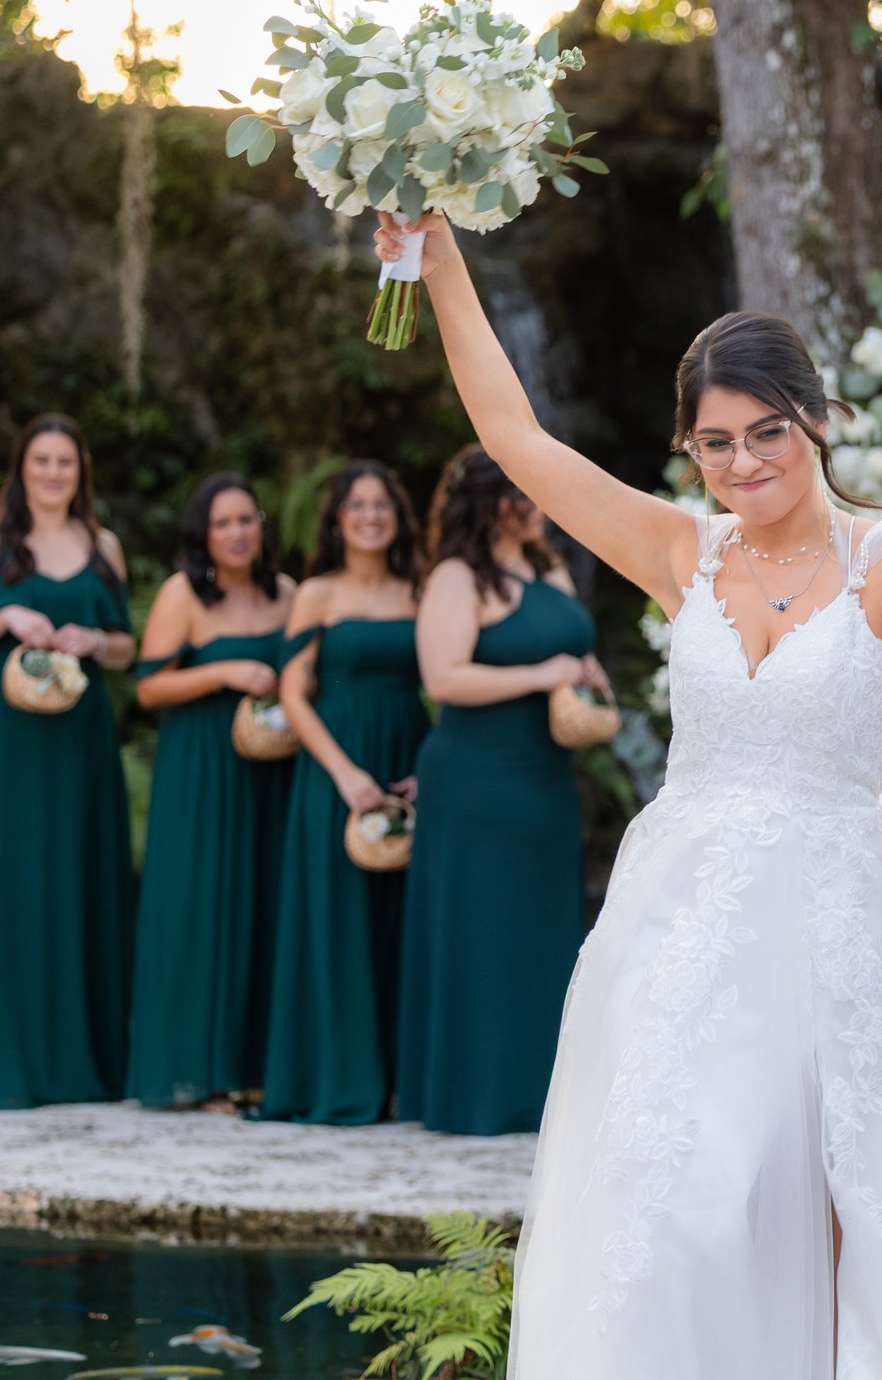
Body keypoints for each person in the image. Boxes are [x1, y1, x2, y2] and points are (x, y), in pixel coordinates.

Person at [383, 210, 882, 1379]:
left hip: (828, 922)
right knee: (673, 1197)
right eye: (714, 444)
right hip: (677, 920)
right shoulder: (683, 550)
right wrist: (442, 259)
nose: (744, 464)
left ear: (816, 420)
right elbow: (513, 437)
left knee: (828, 1199)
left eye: (767, 432)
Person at [394, 446, 609, 1137]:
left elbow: (573, 647)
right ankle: (475, 1098)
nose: (539, 505)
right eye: (525, 493)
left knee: (540, 928)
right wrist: (542, 673)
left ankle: (541, 1094)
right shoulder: (457, 577)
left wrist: (587, 675)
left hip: (544, 778)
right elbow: (444, 678)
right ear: (489, 499)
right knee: (480, 928)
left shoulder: (547, 567)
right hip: (475, 777)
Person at [0, 414, 138, 1107]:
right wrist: (6, 619)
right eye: (42, 460)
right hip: (4, 738)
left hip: (80, 734)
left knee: (79, 878)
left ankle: (80, 1061)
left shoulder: (102, 543)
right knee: (6, 880)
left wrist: (93, 640)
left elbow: (128, 646)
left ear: (81, 472)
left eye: (66, 462)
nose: (53, 472)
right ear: (21, 467)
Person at [256, 461, 427, 1127]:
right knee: (337, 921)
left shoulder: (420, 588)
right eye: (357, 505)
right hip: (335, 767)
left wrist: (429, 766)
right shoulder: (317, 594)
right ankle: (336, 1079)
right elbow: (292, 694)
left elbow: (440, 677)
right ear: (337, 518)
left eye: (382, 504)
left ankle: (398, 1082)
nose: (370, 515)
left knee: (401, 920)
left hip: (406, 757)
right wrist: (344, 772)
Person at [128, 474, 297, 1111]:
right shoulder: (182, 595)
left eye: (246, 520)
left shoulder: (287, 593)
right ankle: (194, 1073)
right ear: (203, 533)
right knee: (199, 905)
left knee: (264, 902)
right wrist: (224, 670)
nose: (236, 534)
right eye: (222, 523)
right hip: (201, 766)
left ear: (261, 526)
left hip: (273, 766)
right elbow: (149, 686)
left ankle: (256, 1067)